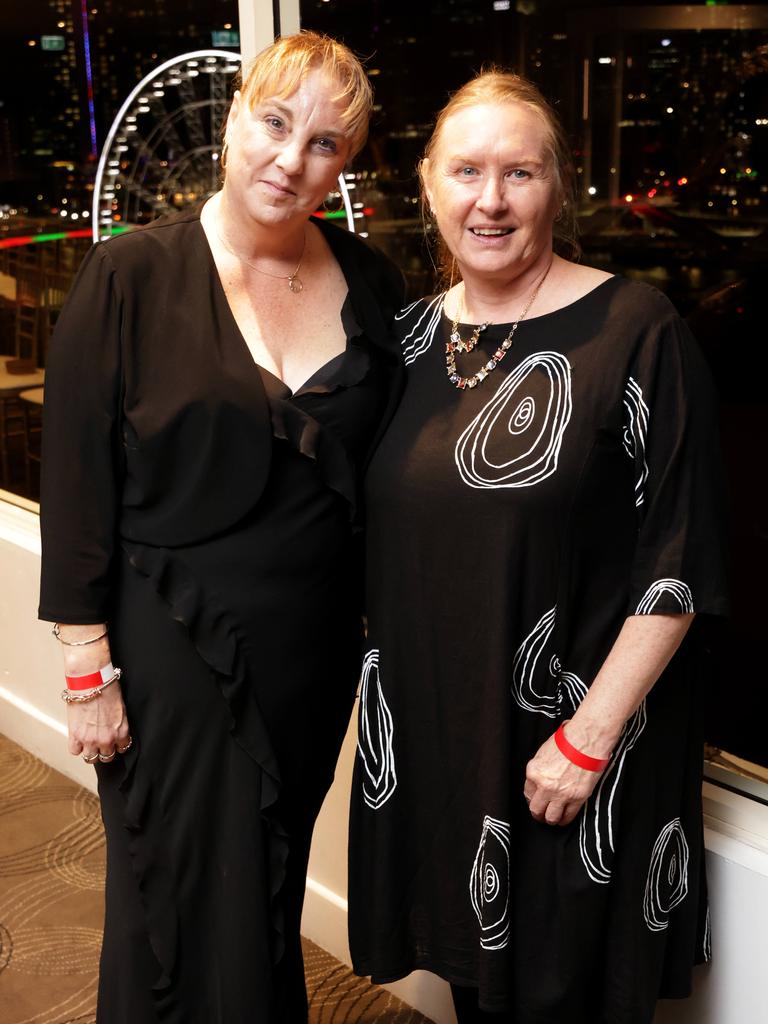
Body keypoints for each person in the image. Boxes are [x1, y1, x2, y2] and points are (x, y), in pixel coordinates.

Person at [38, 31, 404, 1024]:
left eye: (326, 143)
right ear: (235, 113)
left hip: (313, 656)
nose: (291, 160)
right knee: (177, 895)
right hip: (173, 650)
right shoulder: (129, 278)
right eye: (275, 123)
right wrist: (87, 674)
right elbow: (75, 486)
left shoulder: (372, 279)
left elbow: (402, 464)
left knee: (266, 891)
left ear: (349, 161)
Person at [348, 70, 727, 1024]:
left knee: (567, 997)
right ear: (427, 184)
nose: (490, 200)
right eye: (466, 171)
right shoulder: (400, 342)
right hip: (445, 747)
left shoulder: (637, 330)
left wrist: (587, 741)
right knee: (476, 993)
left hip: (569, 753)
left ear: (558, 188)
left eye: (519, 173)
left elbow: (680, 559)